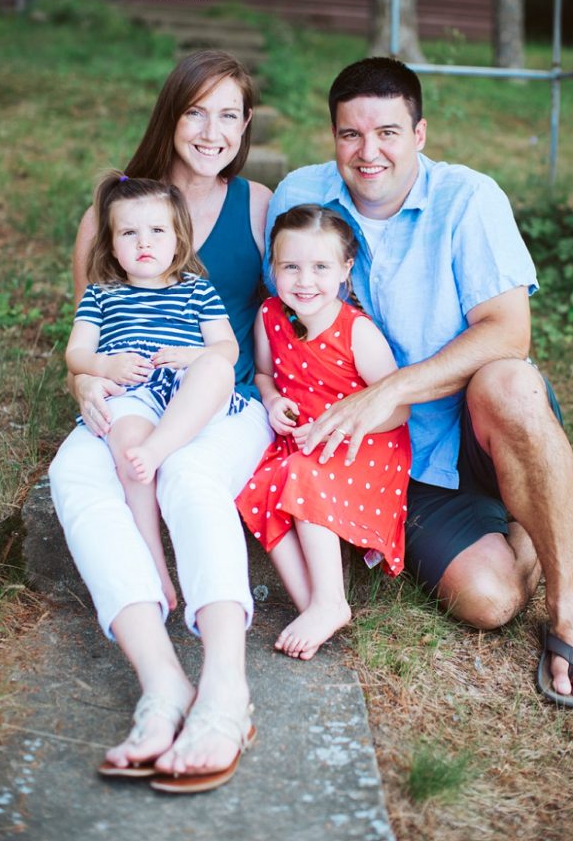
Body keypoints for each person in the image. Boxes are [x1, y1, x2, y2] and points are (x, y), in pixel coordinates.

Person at [265, 56, 573, 709]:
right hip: (395, 461)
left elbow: (507, 331)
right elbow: (272, 310)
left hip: (473, 424)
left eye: (386, 131)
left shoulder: (468, 198)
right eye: (350, 133)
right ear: (332, 139)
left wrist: (392, 388)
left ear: (419, 134)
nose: (367, 151)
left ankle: (569, 607)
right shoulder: (302, 197)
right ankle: (555, 510)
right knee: (488, 602)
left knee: (508, 381)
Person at [48, 50, 274, 791]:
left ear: (245, 128)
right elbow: (90, 330)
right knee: (74, 472)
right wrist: (87, 388)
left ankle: (225, 689)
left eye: (230, 115)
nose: (213, 131)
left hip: (221, 399)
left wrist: (272, 385)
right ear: (170, 115)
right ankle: (161, 682)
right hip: (132, 396)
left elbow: (274, 318)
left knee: (187, 473)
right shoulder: (112, 207)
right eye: (196, 111)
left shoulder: (257, 204)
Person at [236, 204, 411, 660]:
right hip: (302, 439)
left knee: (300, 473)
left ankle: (332, 601)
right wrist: (273, 402)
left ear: (345, 269)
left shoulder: (356, 331)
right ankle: (313, 603)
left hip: (365, 446)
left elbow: (398, 408)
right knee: (258, 489)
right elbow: (263, 374)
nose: (304, 280)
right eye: (290, 266)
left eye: (320, 267)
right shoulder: (270, 316)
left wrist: (340, 428)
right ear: (273, 267)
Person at [65, 172, 240, 613]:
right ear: (111, 243)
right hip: (134, 390)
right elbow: (77, 353)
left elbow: (227, 348)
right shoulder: (102, 295)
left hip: (184, 389)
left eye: (157, 231)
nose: (144, 242)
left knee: (214, 370)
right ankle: (154, 563)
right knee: (127, 444)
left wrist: (192, 354)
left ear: (178, 239)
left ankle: (159, 449)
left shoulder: (196, 290)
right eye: (129, 232)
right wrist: (105, 365)